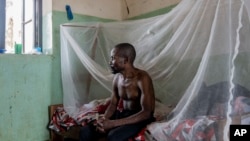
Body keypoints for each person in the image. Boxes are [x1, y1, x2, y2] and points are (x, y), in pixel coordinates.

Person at [79, 43, 155, 141]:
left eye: (113, 58)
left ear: (126, 60)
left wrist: (113, 123)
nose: (110, 62)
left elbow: (147, 113)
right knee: (86, 131)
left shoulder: (142, 78)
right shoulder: (117, 78)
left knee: (114, 136)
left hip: (139, 118)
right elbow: (113, 105)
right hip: (123, 114)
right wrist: (104, 120)